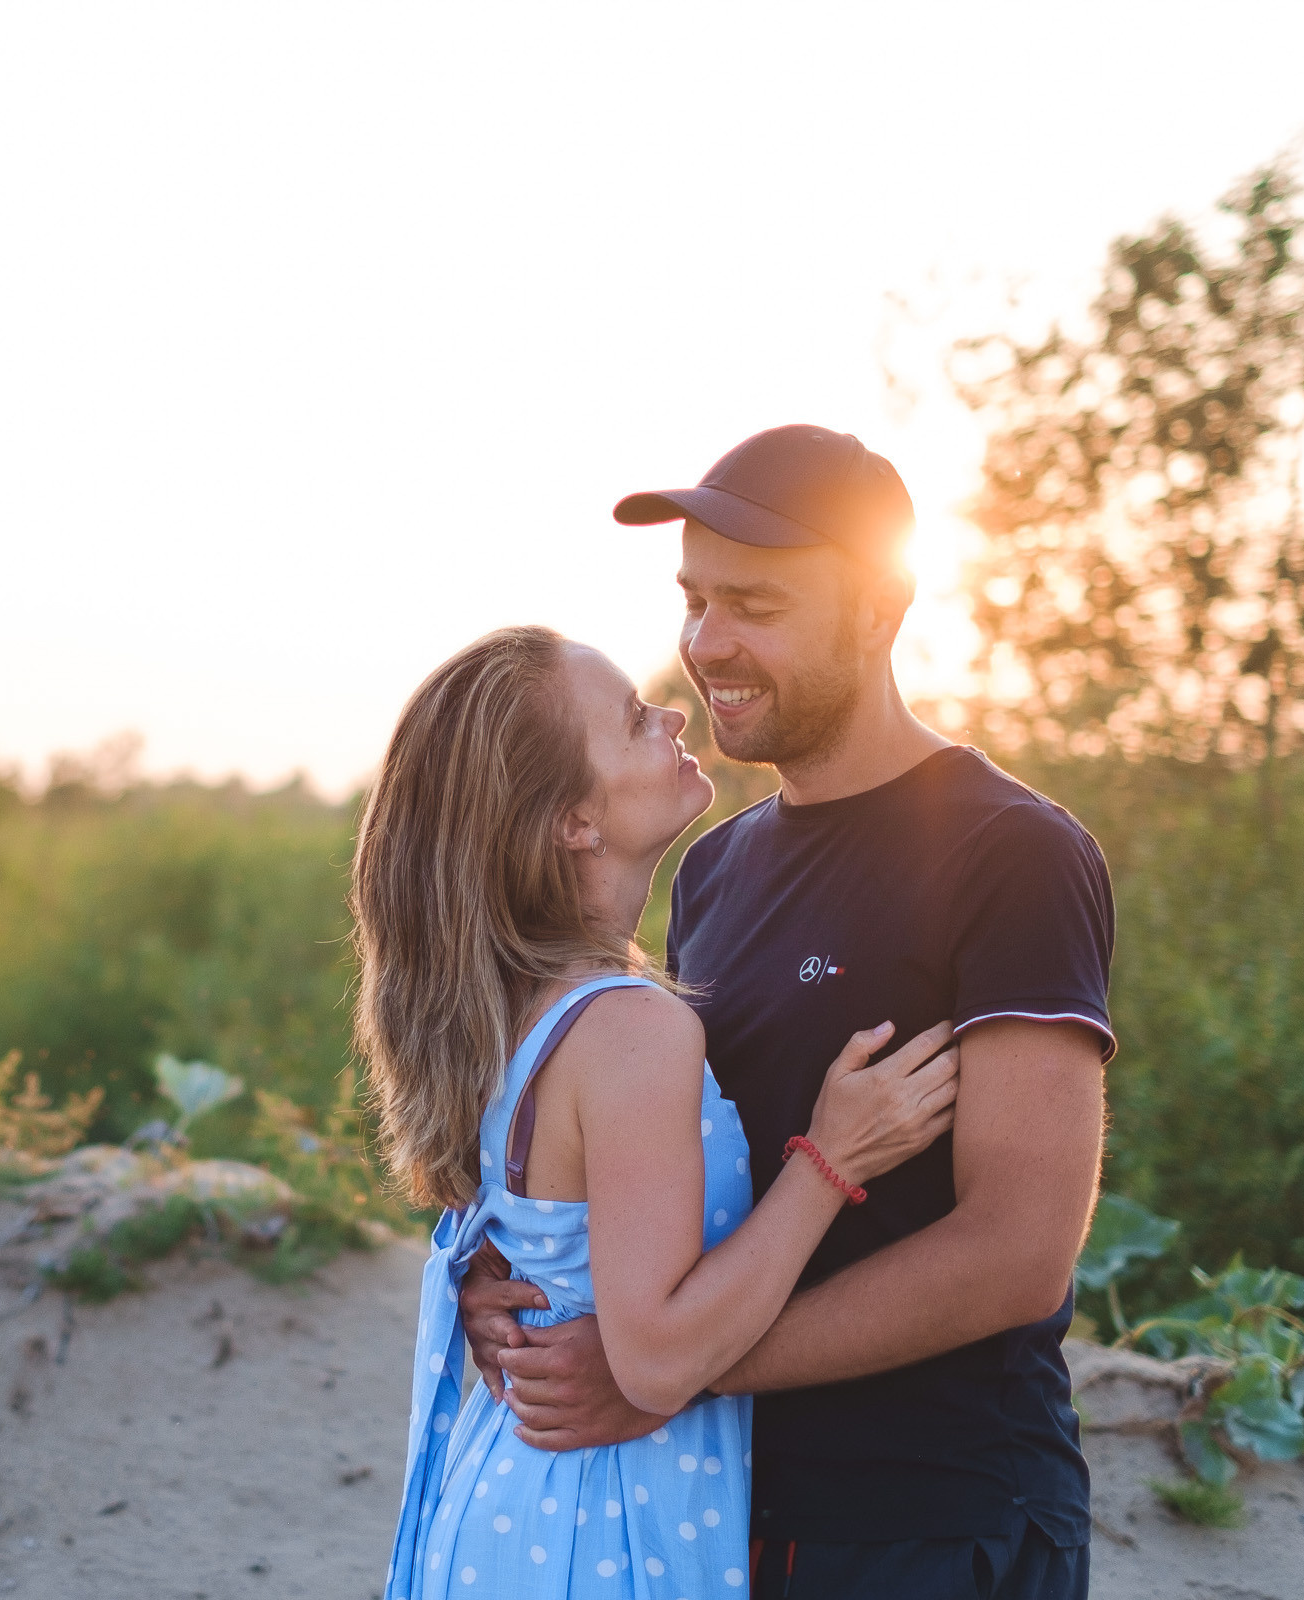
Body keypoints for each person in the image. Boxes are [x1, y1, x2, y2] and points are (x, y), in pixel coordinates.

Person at [459, 425, 1115, 1600]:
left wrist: (676, 1369)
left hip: (934, 1519)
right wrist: (511, 1280)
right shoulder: (711, 870)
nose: (708, 645)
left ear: (878, 607)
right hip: (719, 1509)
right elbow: (677, 1173)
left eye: (755, 604)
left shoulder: (1010, 852)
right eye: (695, 600)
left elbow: (1019, 1249)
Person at [355, 623, 963, 1598]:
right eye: (636, 721)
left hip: (514, 1502)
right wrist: (831, 1160)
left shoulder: (517, 1002)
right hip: (596, 1520)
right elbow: (657, 1354)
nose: (673, 711)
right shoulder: (631, 1028)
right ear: (573, 822)